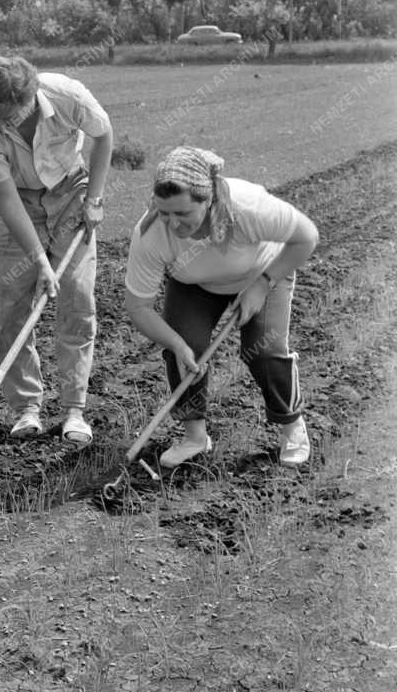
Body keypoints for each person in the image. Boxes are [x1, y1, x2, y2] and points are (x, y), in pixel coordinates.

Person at [123, 146, 319, 468]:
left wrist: (262, 284)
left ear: (208, 199)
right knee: (184, 349)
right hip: (195, 284)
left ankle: (291, 425)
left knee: (264, 349)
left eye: (183, 214)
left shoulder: (247, 207)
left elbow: (306, 237)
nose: (172, 223)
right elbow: (138, 306)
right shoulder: (149, 233)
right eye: (165, 212)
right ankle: (195, 438)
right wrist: (176, 343)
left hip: (263, 272)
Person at [0, 55, 113, 445]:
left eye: (8, 114)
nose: (2, 123)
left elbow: (104, 134)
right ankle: (26, 408)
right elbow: (6, 198)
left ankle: (73, 411)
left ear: (28, 96)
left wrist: (94, 200)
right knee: (9, 313)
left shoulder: (67, 95)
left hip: (70, 195)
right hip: (16, 206)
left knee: (77, 300)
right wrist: (38, 260)